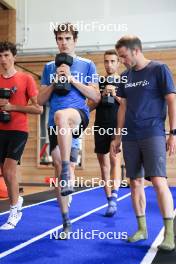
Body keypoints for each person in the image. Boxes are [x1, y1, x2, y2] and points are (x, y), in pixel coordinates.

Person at [111, 35, 176, 251]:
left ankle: (169, 233)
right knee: (135, 182)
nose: (122, 61)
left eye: (123, 56)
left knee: (158, 181)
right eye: (119, 57)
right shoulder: (124, 76)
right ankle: (142, 229)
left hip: (153, 133)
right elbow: (123, 107)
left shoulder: (159, 69)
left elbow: (171, 99)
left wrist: (173, 132)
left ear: (136, 50)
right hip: (130, 135)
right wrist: (117, 136)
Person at [38, 23, 100, 238]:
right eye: (60, 39)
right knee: (57, 172)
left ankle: (67, 167)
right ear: (56, 41)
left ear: (75, 40)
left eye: (67, 38)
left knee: (62, 115)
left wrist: (72, 79)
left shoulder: (88, 64)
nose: (63, 42)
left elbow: (96, 97)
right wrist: (54, 83)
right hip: (56, 126)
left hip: (77, 116)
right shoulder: (48, 67)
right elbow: (39, 100)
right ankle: (66, 221)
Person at [0, 41, 42, 230]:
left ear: (14, 57)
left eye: (7, 55)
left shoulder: (26, 79)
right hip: (1, 130)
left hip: (18, 130)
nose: (3, 60)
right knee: (5, 173)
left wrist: (13, 107)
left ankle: (14, 211)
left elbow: (39, 108)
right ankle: (17, 200)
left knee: (9, 170)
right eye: (0, 56)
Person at [90, 50, 121, 216]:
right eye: (106, 61)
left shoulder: (124, 81)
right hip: (100, 125)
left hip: (117, 125)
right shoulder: (99, 82)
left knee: (114, 159)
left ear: (118, 63)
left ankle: (115, 196)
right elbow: (89, 107)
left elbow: (128, 105)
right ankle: (110, 201)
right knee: (104, 165)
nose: (109, 64)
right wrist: (101, 96)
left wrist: (115, 94)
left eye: (112, 61)